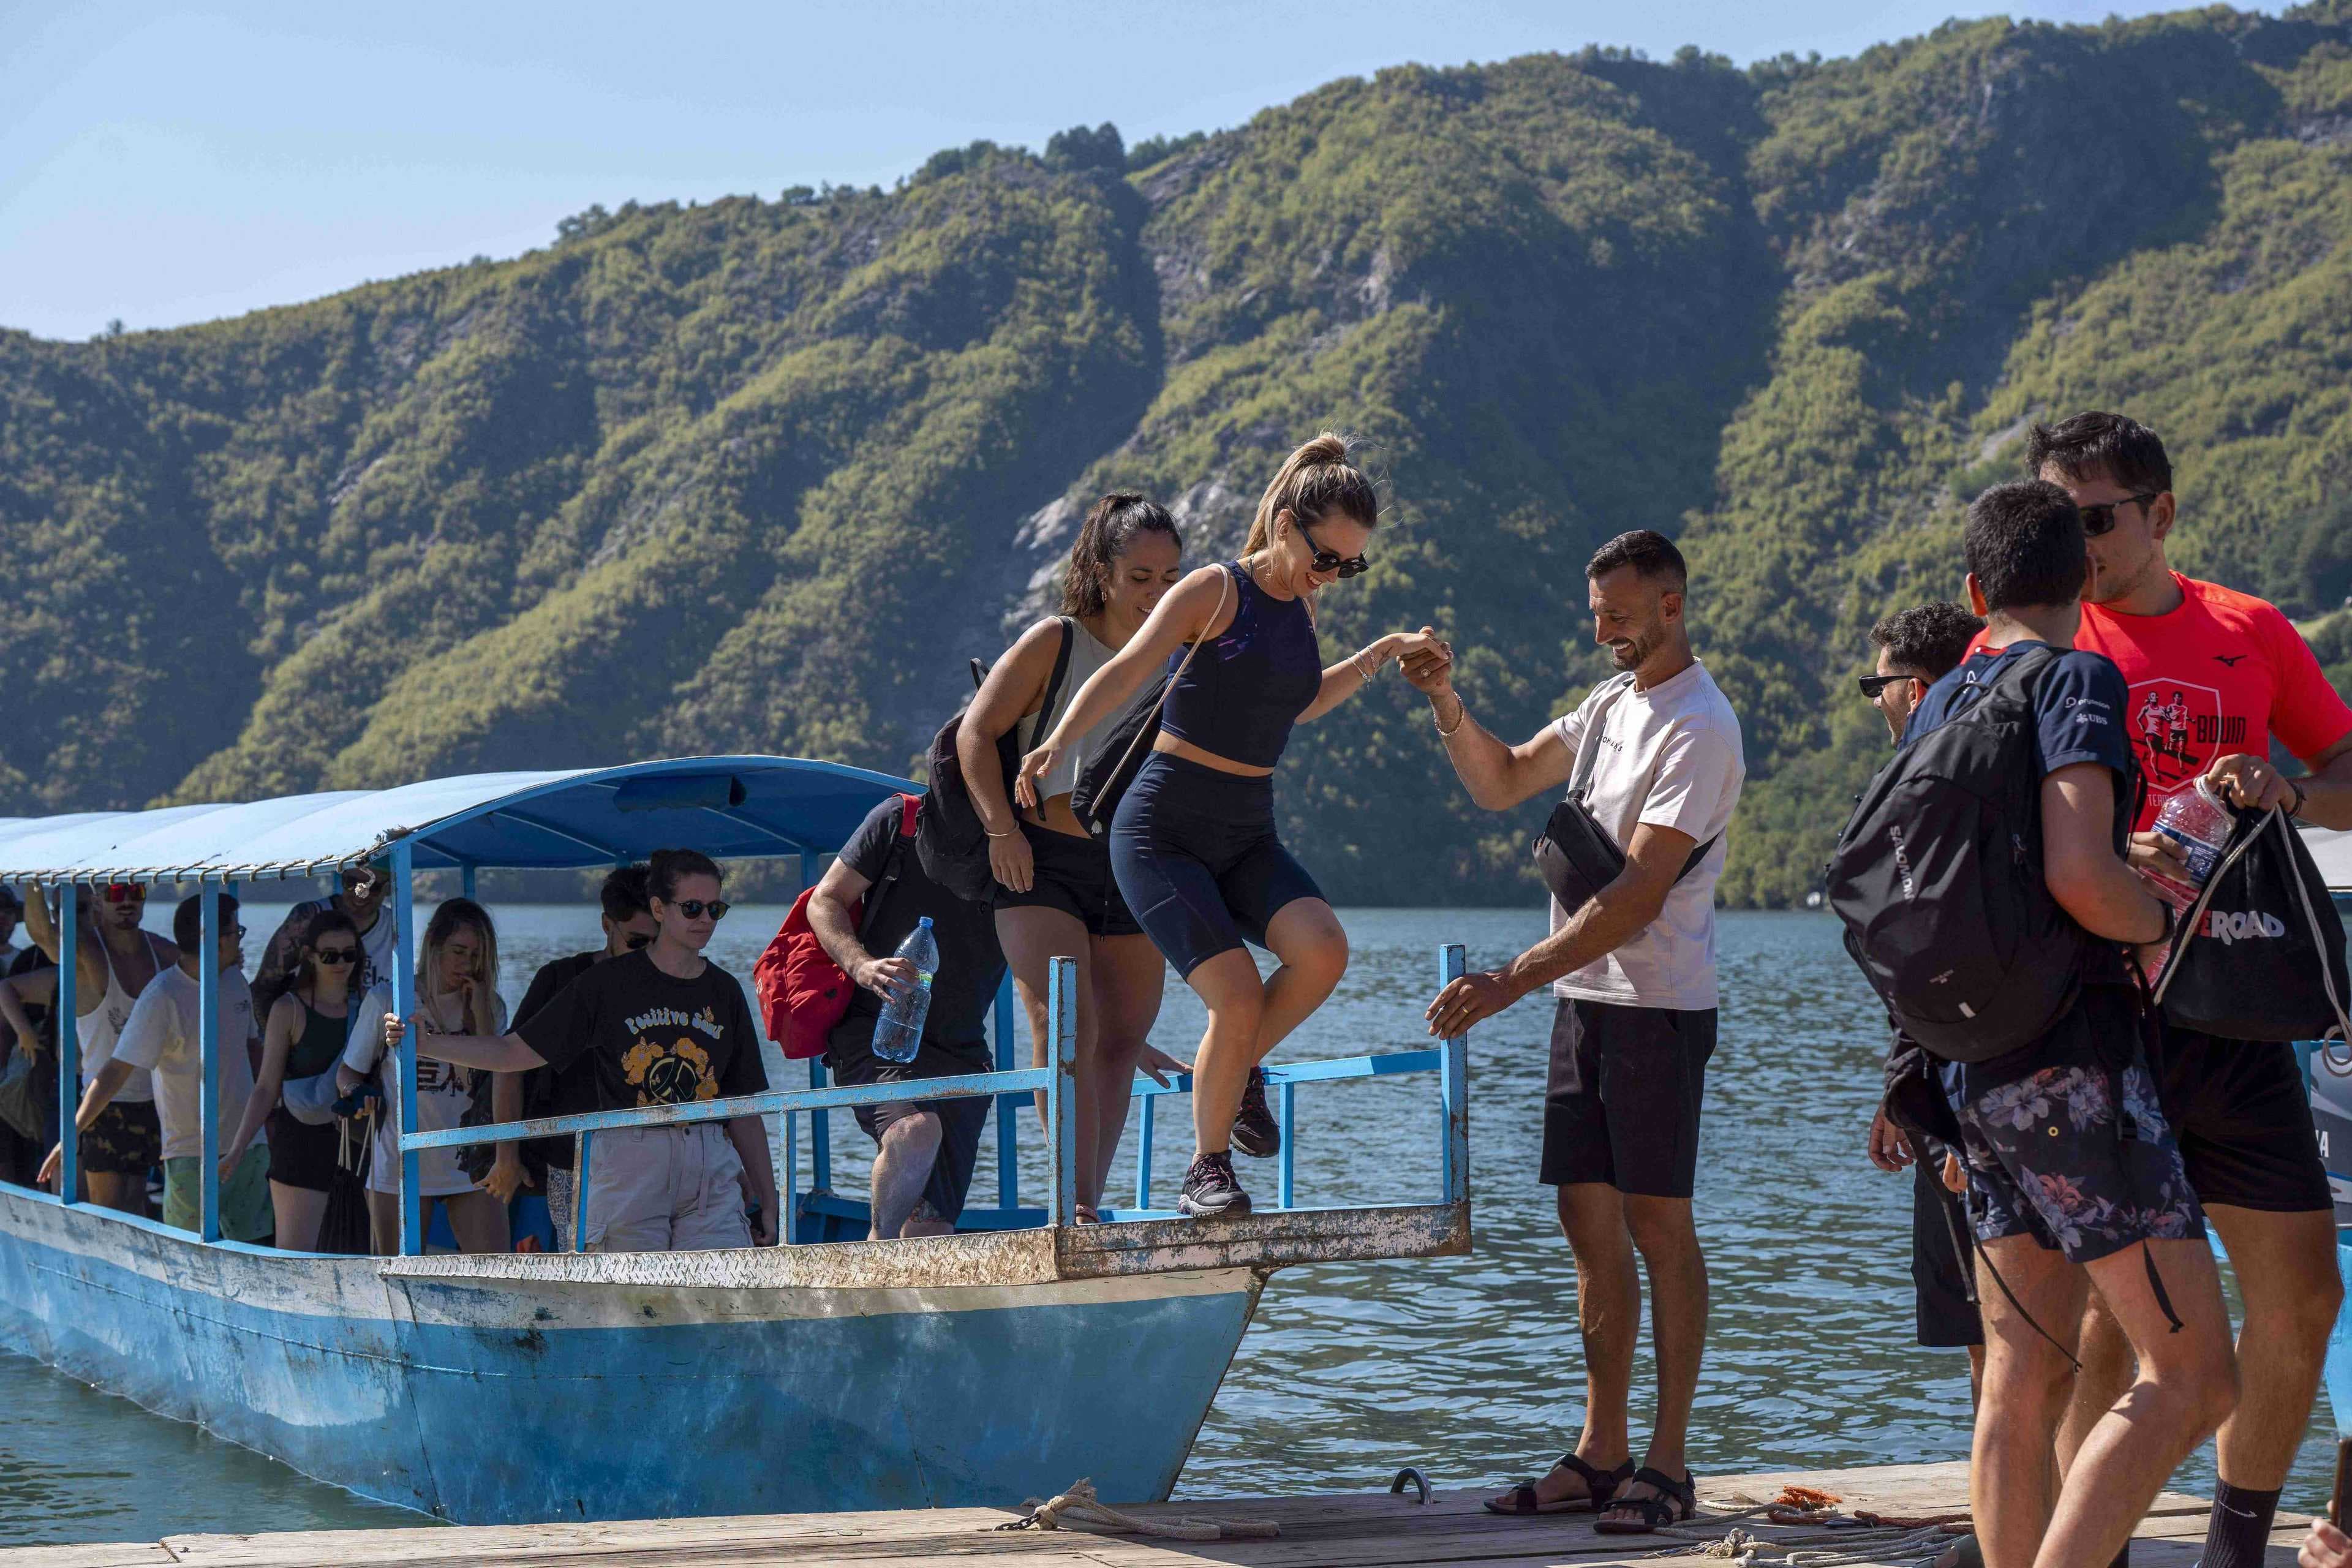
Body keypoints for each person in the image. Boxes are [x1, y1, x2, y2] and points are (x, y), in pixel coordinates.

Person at [2026, 412, 2352, 1568]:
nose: (2079, 542)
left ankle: (2234, 1550)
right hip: (2101, 1019)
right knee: (2118, 1322)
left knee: (2304, 1300)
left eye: (2098, 518)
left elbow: (2346, 769)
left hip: (2239, 1009)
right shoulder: (2032, 643)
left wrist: (2290, 794)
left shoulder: (2249, 629)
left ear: (2160, 515)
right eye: (2058, 520)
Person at [1907, 480, 2236, 1568]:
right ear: (2086, 580)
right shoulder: (2077, 676)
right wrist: (2158, 916)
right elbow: (2081, 875)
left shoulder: (1948, 694)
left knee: (2021, 1372)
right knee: (2193, 1375)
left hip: (1974, 1071)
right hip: (2073, 1071)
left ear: (1974, 590)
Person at [1402, 529, 1743, 1532]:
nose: (1602, 630)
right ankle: (1602, 1454)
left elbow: (1640, 895)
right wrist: (1444, 702)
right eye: (1595, 612)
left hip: (1661, 1010)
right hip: (1582, 1006)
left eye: (1620, 613)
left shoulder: (1701, 725)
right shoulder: (1608, 703)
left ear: (1672, 605)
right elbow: (1502, 779)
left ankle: (1669, 1467)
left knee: (1656, 1227)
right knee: (1589, 1230)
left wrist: (1507, 981)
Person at [1017, 432, 1442, 1219]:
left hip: (1246, 828)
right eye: (1326, 557)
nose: (1335, 575)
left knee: (1323, 951)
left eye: (1352, 565)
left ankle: (1237, 1069)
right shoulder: (1214, 592)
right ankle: (1205, 1170)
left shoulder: (1304, 608)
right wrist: (1055, 741)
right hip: (1160, 831)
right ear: (1285, 524)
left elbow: (1303, 700)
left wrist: (1380, 653)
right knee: (1237, 996)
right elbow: (1123, 670)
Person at [959, 493, 1185, 1219]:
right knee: (1065, 1028)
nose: (1157, 594)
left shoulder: (1179, 657)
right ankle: (1072, 1204)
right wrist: (1002, 832)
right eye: (1141, 577)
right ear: (1102, 570)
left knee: (1121, 1039)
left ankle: (1085, 1199)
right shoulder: (1055, 641)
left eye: (1170, 578)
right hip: (1040, 859)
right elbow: (975, 735)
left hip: (1135, 863)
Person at [387, 849, 778, 1253]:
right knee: (630, 1289)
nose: (705, 921)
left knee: (721, 1277)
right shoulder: (606, 983)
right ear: (659, 908)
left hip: (706, 1155)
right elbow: (513, 1054)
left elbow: (742, 1106)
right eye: (693, 908)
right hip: (631, 1156)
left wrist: (769, 1199)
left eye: (716, 909)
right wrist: (428, 1043)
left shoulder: (725, 991)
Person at [1858, 601, 1989, 1402]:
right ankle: (2019, 1511)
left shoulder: (1936, 788)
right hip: (1950, 1077)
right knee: (1998, 1319)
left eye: (1879, 683)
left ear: (1919, 685)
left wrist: (1944, 1118)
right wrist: (1899, 1087)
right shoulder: (2007, 771)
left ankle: (2016, 1520)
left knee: (1992, 1321)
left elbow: (1939, 958)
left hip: (1970, 1092)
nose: (1876, 701)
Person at [807, 795, 1008, 1239]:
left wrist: (1121, 1040)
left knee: (932, 1227)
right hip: (879, 1031)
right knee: (915, 1130)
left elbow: (1059, 949)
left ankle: (913, 1307)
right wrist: (860, 965)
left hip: (962, 1050)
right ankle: (876, 1254)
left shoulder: (1025, 843)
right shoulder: (904, 820)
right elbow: (824, 901)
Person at [44, 894, 271, 1242]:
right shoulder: (162, 996)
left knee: (256, 1250)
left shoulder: (235, 981)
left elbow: (253, 1049)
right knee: (189, 1256)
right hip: (191, 1154)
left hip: (249, 1146)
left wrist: (271, 1111)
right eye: (234, 932)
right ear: (208, 937)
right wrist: (72, 1132)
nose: (239, 940)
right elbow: (115, 1070)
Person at [337, 898, 510, 1255]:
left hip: (470, 1162)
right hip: (401, 1162)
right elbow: (347, 1073)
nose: (467, 965)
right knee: (398, 1276)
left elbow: (488, 1085)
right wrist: (359, 1094)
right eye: (458, 952)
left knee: (497, 1270)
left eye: (477, 956)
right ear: (433, 945)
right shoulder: (390, 999)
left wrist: (479, 1013)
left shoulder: (491, 1005)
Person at [508, 864, 657, 1251]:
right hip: (574, 1161)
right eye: (638, 943)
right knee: (586, 1265)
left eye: (662, 943)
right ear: (607, 924)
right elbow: (508, 1064)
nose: (651, 959)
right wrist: (505, 1155)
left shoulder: (674, 983)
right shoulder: (560, 980)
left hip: (656, 1156)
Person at [23, 882, 172, 1215]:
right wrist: (35, 883)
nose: (127, 902)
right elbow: (43, 934)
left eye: (136, 893)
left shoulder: (160, 951)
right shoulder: (86, 952)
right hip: (104, 1104)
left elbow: (205, 968)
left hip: (159, 1101)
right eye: (116, 894)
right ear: (97, 902)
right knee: (107, 1212)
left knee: (140, 1206)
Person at [219, 908, 363, 1252]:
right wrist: (237, 1151)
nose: (340, 963)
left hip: (355, 1146)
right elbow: (266, 1087)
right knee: (296, 1254)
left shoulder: (370, 1007)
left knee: (354, 1255)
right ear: (309, 957)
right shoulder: (289, 1009)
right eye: (329, 956)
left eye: (349, 954)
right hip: (300, 1144)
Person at [252, 865, 394, 1019]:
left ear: (389, 888)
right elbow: (263, 987)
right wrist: (271, 1038)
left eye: (372, 886)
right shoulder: (306, 918)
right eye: (350, 882)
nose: (359, 894)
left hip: (373, 1032)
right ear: (342, 880)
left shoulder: (396, 924)